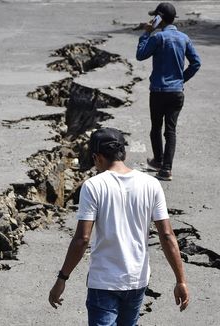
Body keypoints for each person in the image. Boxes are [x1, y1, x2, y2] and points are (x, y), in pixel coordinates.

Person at [48, 128, 189, 326]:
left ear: (97, 157)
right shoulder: (151, 184)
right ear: (124, 154)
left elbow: (82, 239)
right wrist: (180, 280)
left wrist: (62, 278)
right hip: (136, 280)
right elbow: (167, 235)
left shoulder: (93, 186)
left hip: (104, 281)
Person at [136, 3, 201, 181]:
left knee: (156, 127)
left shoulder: (158, 38)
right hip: (176, 92)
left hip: (158, 91)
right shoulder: (184, 38)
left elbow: (140, 55)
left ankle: (158, 160)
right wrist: (181, 79)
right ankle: (166, 169)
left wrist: (147, 32)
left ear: (159, 19)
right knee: (170, 130)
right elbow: (196, 63)